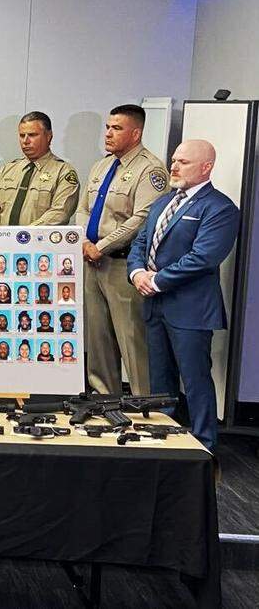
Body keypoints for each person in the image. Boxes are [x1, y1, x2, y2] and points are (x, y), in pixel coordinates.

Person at [129, 139, 239, 451]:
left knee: (195, 379)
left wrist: (157, 280)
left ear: (206, 167)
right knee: (159, 379)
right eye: (174, 160)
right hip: (155, 304)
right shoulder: (163, 202)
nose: (174, 166)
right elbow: (141, 244)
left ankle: (204, 444)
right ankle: (163, 440)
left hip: (190, 309)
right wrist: (137, 273)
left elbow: (203, 258)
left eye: (183, 162)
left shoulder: (220, 208)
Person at [76, 108, 170, 391]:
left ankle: (145, 406)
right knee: (98, 338)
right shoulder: (101, 166)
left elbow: (141, 219)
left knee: (132, 340)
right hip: (92, 262)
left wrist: (102, 246)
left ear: (136, 133)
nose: (108, 133)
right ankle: (105, 399)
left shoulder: (150, 170)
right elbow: (83, 209)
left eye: (116, 128)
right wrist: (83, 241)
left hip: (122, 264)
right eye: (107, 127)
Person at [0, 111, 80, 225]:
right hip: (2, 241)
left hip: (38, 241)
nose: (25, 141)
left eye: (32, 135)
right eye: (22, 135)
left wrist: (24, 237)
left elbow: (59, 213)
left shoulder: (63, 172)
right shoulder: (7, 170)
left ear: (49, 136)